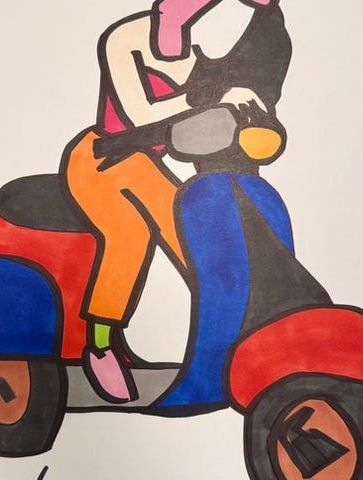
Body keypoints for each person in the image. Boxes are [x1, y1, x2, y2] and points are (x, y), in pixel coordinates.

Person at [62, 0, 288, 403]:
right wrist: (215, 97)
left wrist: (245, 105)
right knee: (128, 237)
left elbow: (210, 113)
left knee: (195, 237)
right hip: (100, 157)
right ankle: (99, 345)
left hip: (144, 164)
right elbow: (140, 114)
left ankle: (231, 343)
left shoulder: (198, 51)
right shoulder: (124, 39)